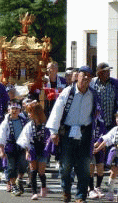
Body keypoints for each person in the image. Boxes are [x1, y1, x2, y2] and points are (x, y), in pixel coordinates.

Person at [46, 66, 104, 203]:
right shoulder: (68, 92)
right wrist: (53, 132)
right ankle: (66, 190)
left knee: (84, 166)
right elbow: (57, 111)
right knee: (66, 165)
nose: (85, 78)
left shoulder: (93, 94)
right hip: (67, 133)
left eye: (89, 76)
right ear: (77, 75)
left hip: (85, 133)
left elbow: (98, 114)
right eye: (83, 75)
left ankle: (80, 196)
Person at [90, 62, 118, 198]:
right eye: (106, 71)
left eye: (109, 71)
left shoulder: (115, 83)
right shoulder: (93, 84)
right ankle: (93, 186)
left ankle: (108, 178)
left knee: (111, 149)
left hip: (111, 123)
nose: (108, 73)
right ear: (99, 73)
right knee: (96, 153)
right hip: (96, 123)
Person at [0, 99, 28, 196]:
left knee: (23, 165)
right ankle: (13, 185)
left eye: (16, 109)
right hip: (10, 147)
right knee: (11, 167)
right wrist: (0, 151)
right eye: (12, 109)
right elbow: (0, 137)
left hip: (22, 147)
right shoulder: (6, 122)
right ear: (8, 110)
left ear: (20, 110)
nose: (14, 111)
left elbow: (28, 135)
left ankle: (19, 180)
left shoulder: (24, 121)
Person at [18, 101, 50, 200]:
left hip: (43, 149)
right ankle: (34, 192)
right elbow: (25, 138)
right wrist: (27, 150)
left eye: (30, 112)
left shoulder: (46, 125)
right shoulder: (29, 125)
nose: (28, 114)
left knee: (41, 171)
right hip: (32, 149)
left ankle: (43, 186)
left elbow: (49, 137)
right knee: (33, 170)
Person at [94, 111, 118, 201]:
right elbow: (106, 139)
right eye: (116, 118)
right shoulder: (115, 129)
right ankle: (110, 191)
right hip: (116, 152)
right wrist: (97, 149)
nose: (117, 120)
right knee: (113, 171)